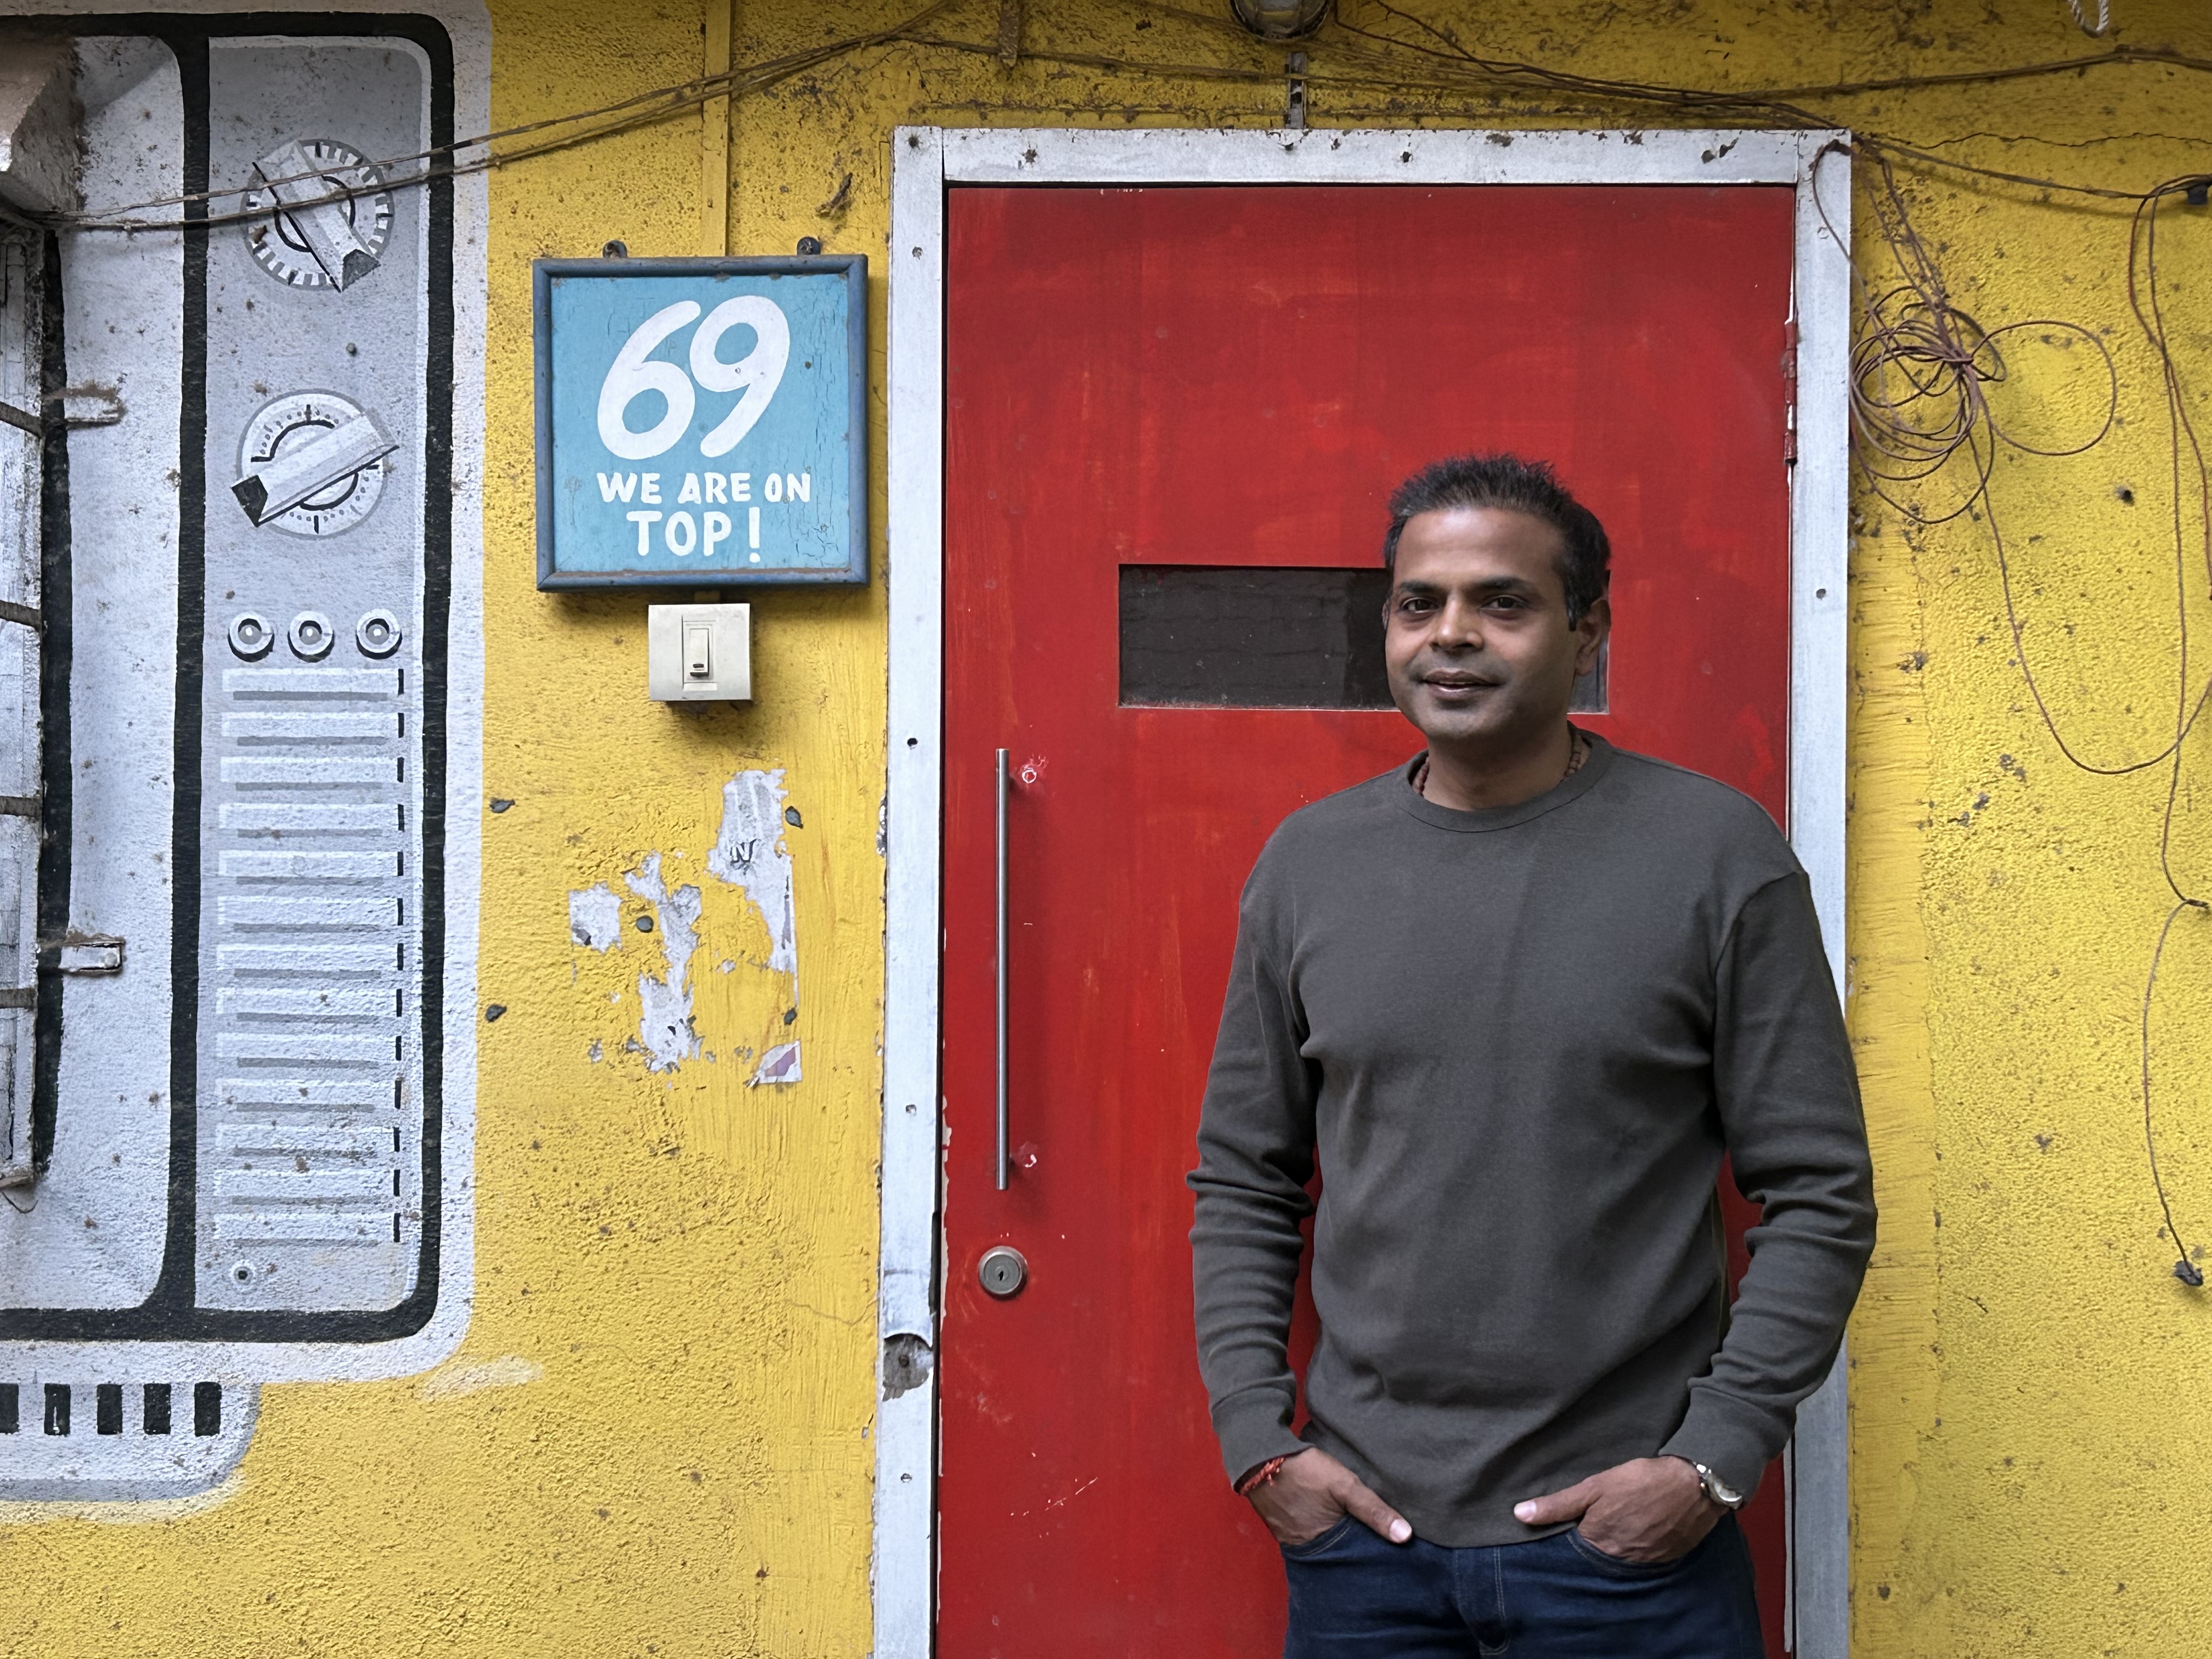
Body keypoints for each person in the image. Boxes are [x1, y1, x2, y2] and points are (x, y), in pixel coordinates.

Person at [1188, 453, 1876, 1657]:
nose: (1451, 634)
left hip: (1630, 1559)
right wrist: (1259, 1443)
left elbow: (1821, 1189)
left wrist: (1712, 1460)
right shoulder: (1309, 867)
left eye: (1502, 602)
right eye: (1419, 603)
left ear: (1586, 630)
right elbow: (1245, 1179)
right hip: (1365, 1549)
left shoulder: (1716, 857)